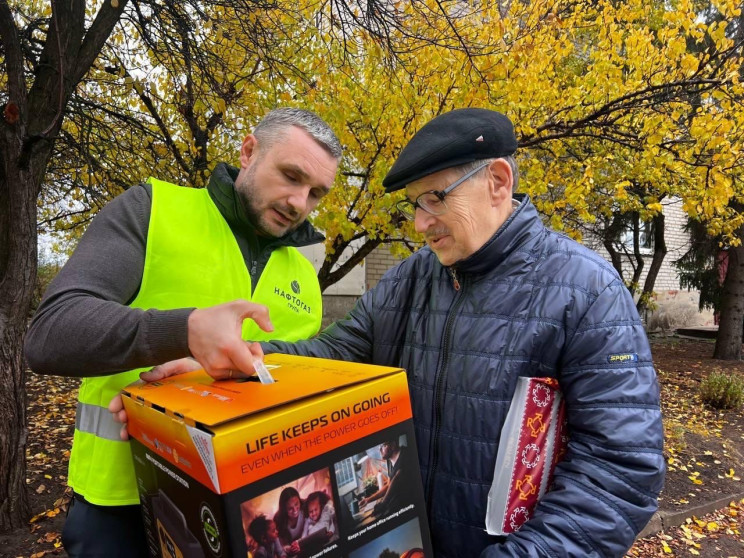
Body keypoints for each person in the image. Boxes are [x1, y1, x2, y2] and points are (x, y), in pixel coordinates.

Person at [118, 108, 665, 557]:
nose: (421, 222)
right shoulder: (411, 278)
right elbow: (331, 356)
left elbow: (620, 469)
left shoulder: (585, 290)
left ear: (497, 181)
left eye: (436, 198)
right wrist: (233, 363)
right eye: (414, 205)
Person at [24, 108, 342, 556]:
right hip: (121, 507)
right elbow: (50, 333)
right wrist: (185, 329)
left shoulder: (304, 278)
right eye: (291, 176)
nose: (298, 202)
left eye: (316, 194)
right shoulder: (153, 209)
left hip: (240, 513)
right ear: (249, 151)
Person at [359, 439, 413, 517]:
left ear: (393, 445)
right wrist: (368, 500)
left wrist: (383, 504)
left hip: (405, 509)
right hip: (396, 505)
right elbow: (388, 485)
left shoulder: (405, 455)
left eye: (383, 446)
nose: (379, 449)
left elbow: (396, 479)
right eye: (379, 446)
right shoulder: (391, 462)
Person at [273, 487, 305, 556]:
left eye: (296, 504)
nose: (295, 510)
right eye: (290, 508)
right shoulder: (278, 520)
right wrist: (290, 549)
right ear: (284, 509)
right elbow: (282, 546)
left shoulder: (305, 505)